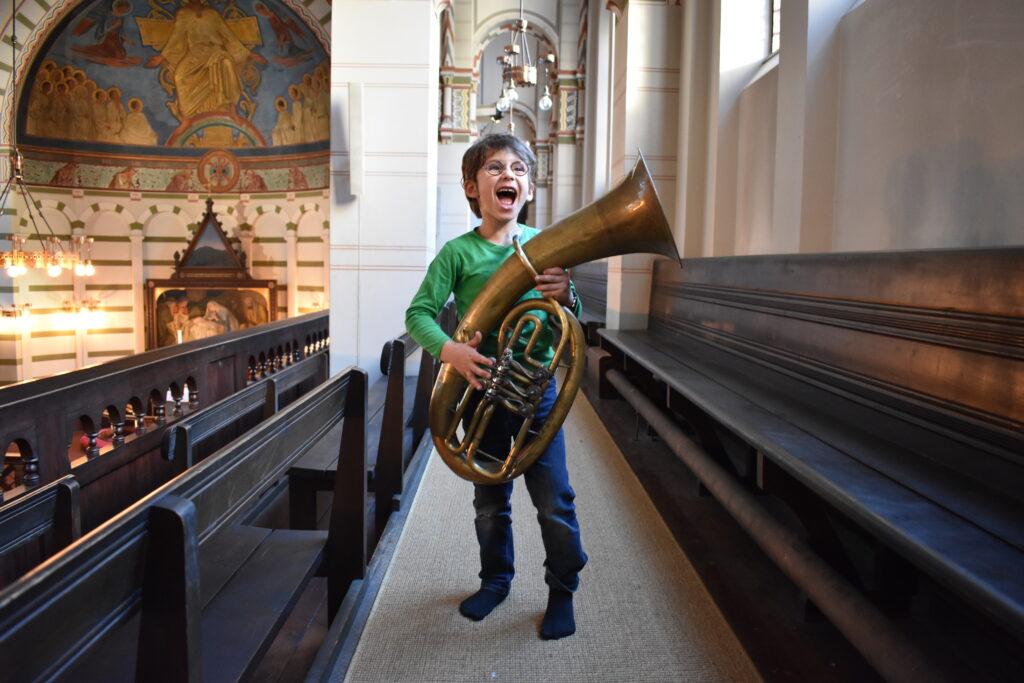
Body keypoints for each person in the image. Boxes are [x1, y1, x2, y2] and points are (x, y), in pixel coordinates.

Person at [405, 133, 587, 640]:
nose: (508, 175)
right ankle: (496, 580)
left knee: (555, 500)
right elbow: (417, 313)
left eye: (519, 169)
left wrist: (566, 294)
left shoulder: (547, 246)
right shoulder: (457, 253)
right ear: (472, 188)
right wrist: (452, 351)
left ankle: (562, 588)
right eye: (494, 169)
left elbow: (571, 319)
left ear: (528, 188)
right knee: (490, 501)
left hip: (537, 395)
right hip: (480, 391)